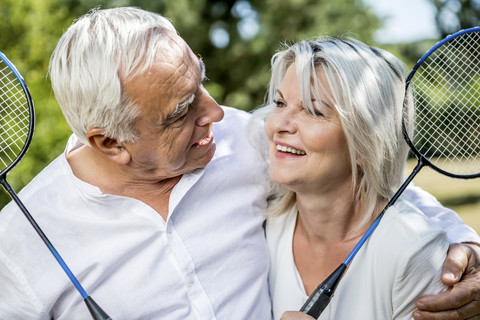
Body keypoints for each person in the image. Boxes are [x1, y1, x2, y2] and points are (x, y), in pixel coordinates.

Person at [0, 6, 477, 320]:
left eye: (200, 84)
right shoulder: (19, 246)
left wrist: (463, 244)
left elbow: (361, 181)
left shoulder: (240, 138)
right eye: (182, 110)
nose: (214, 112)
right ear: (110, 143)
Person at [251, 36, 480, 320]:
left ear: (366, 143)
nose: (278, 125)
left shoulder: (414, 254)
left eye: (313, 111)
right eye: (280, 103)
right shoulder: (270, 221)